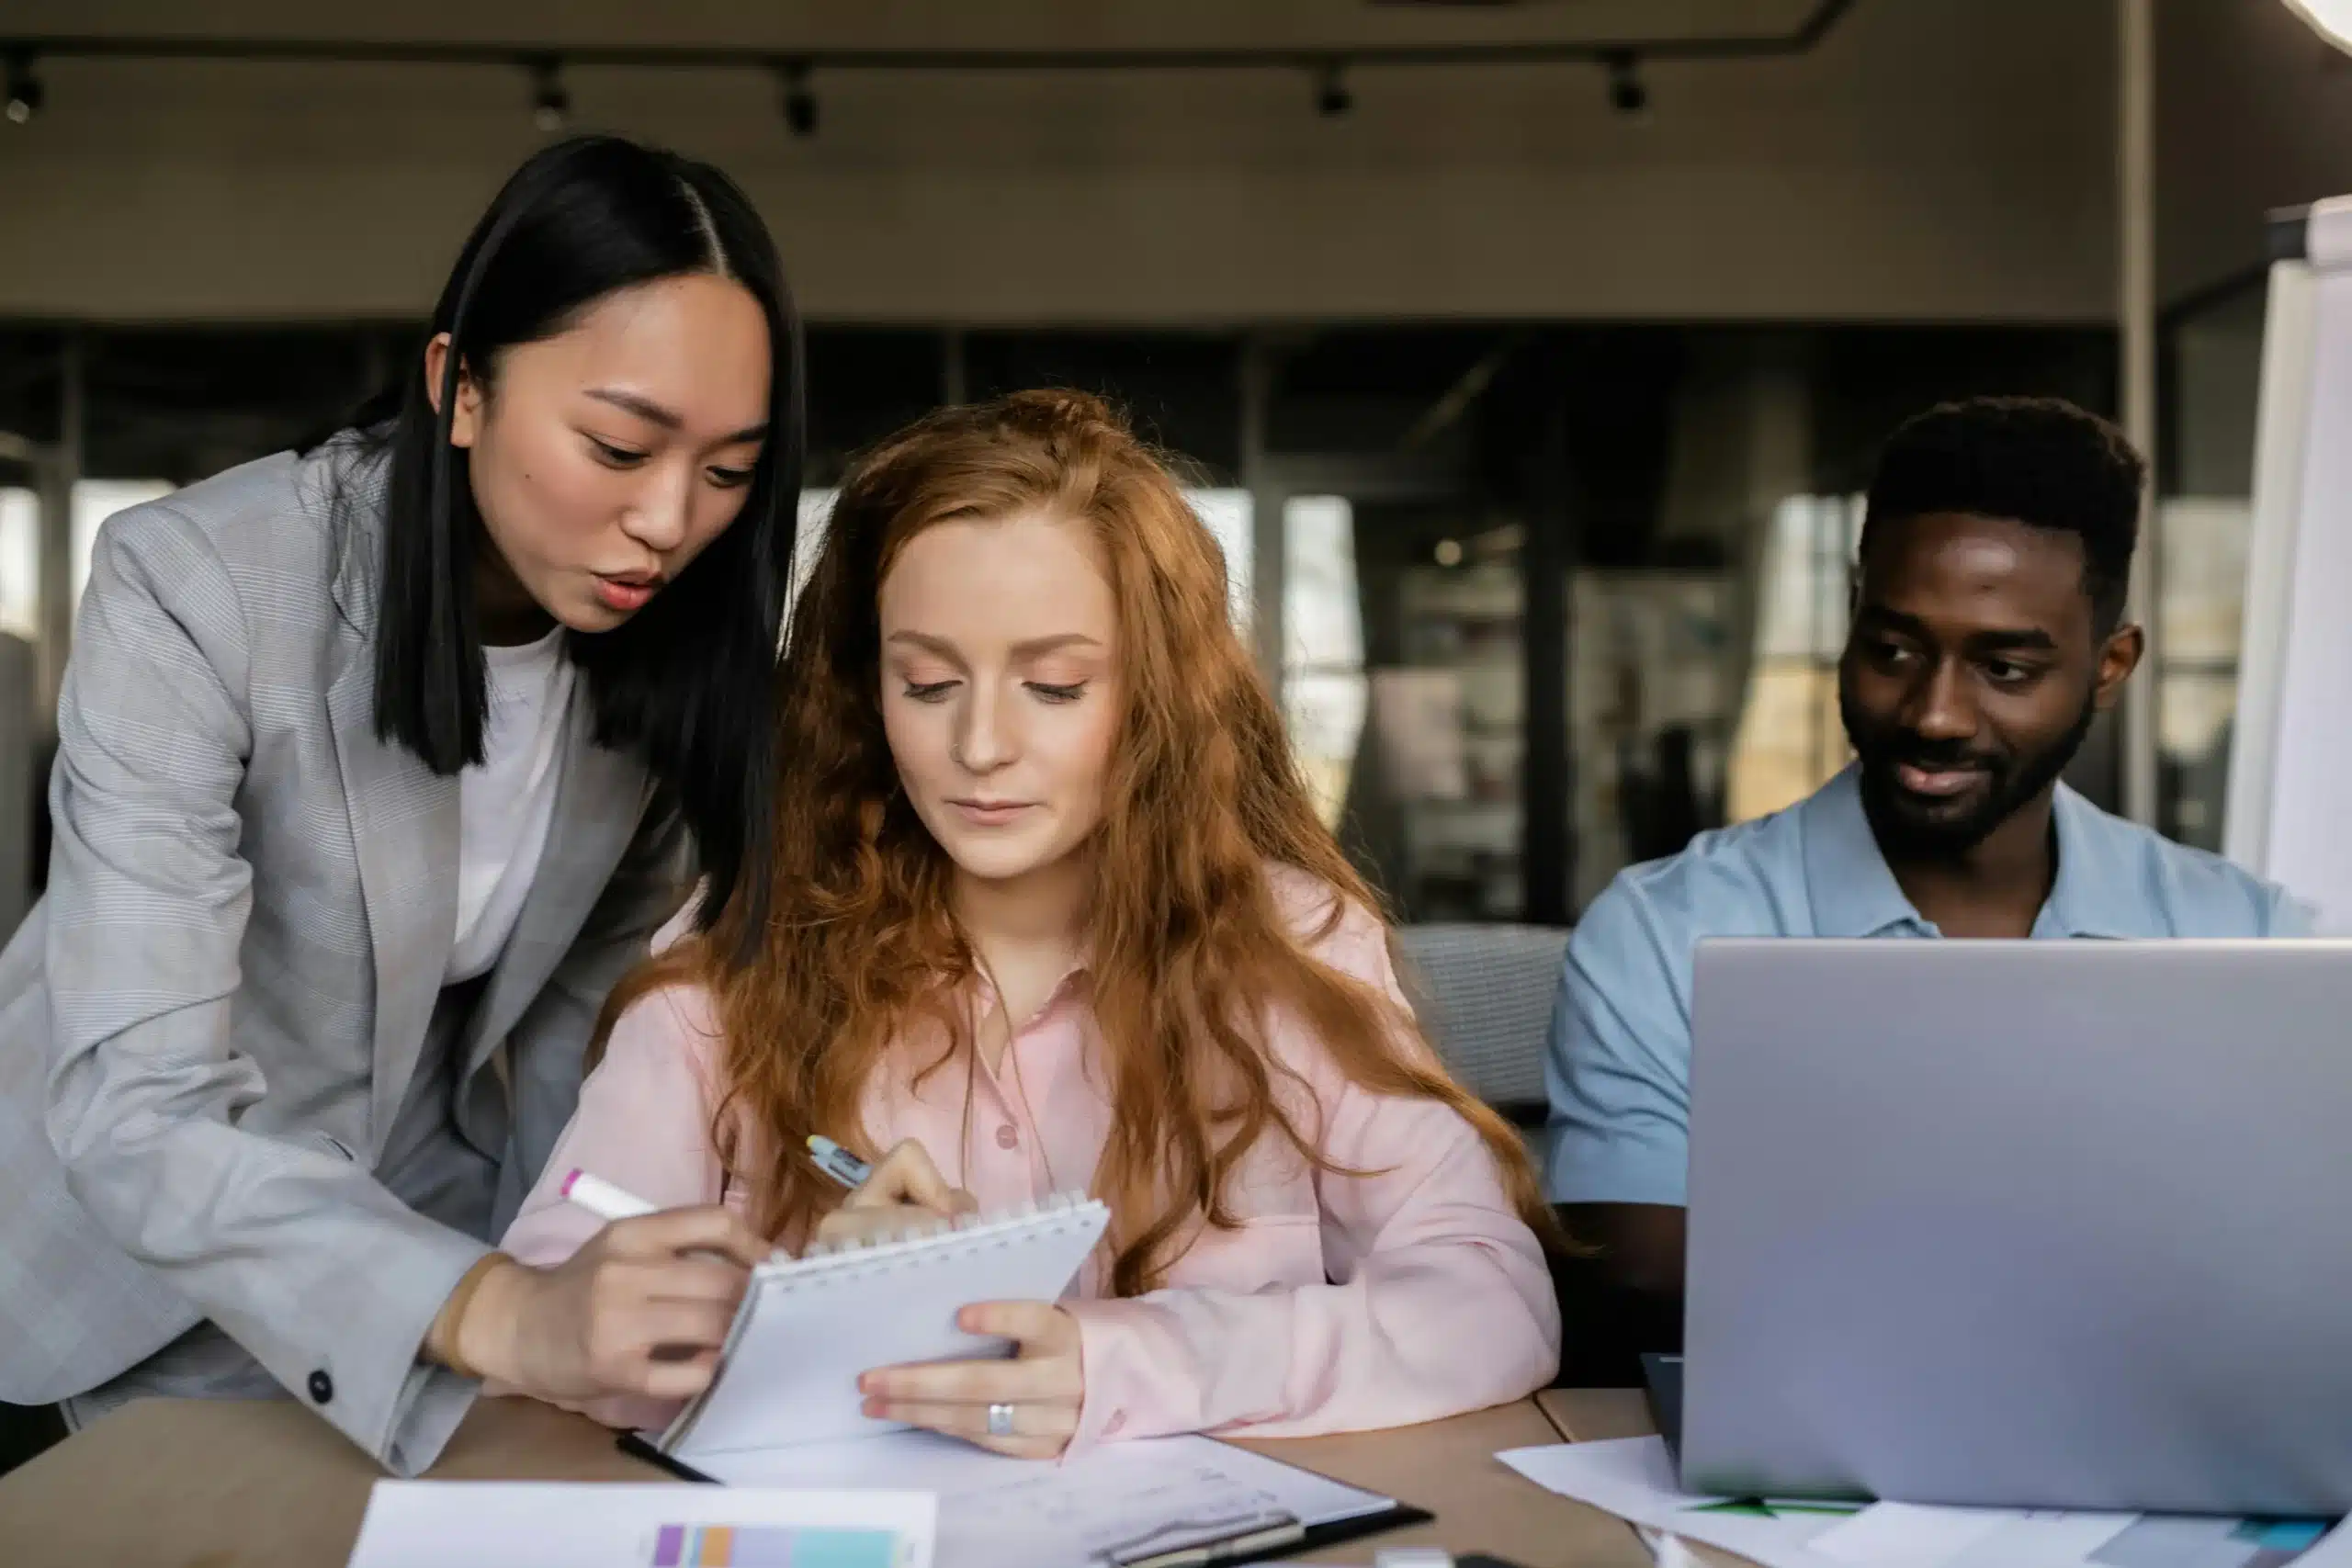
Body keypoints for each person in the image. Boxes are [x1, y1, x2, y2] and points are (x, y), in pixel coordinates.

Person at [489, 389, 1562, 1455]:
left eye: (1052, 687)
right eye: (928, 682)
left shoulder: (1288, 950)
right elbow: (552, 1299)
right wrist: (810, 1306)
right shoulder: (738, 957)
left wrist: (1131, 1362)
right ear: (868, 692)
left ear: (1153, 699)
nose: (981, 745)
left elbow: (1491, 1303)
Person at [0, 133, 805, 1476]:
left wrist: (598, 1283)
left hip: (407, 1293)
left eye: (728, 472)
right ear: (460, 388)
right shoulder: (196, 586)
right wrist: (504, 1307)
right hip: (97, 1276)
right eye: (618, 443)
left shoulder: (657, 667)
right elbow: (139, 1103)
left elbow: (574, 1062)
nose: (670, 519)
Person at [1543, 396, 2305, 1340]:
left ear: (2110, 668)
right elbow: (1643, 1275)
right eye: (1893, 649)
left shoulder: (2251, 941)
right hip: (1799, 1461)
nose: (1934, 714)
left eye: (2006, 669)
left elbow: (2298, 1281)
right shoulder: (1663, 932)